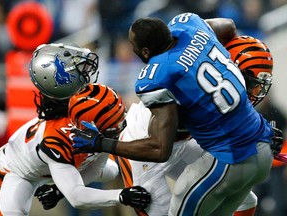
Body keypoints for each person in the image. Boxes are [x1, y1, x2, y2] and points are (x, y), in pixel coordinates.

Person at [71, 13, 275, 216]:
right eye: (249, 83)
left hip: (196, 146)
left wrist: (259, 131)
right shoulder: (190, 31)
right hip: (145, 151)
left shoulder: (164, 72)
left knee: (241, 200)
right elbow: (160, 148)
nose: (251, 91)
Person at [0, 43, 151, 215]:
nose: (86, 73)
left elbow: (94, 167)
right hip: (13, 172)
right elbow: (77, 197)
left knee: (111, 170)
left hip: (49, 167)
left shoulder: (85, 105)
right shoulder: (57, 135)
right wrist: (122, 196)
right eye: (78, 69)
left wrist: (58, 191)